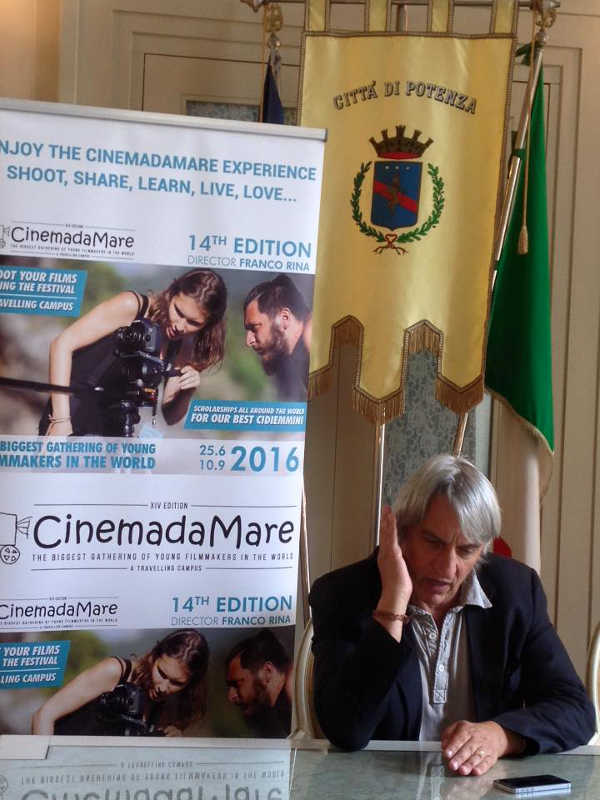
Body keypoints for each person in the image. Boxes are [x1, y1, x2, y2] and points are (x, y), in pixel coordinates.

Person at [310, 454, 596, 775]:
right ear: (402, 533)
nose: (447, 568)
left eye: (466, 550)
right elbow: (345, 729)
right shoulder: (342, 594)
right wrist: (392, 603)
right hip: (379, 787)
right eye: (433, 543)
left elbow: (576, 711)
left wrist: (501, 736)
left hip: (481, 788)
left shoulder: (515, 592)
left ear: (483, 548)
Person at [40, 268, 227, 435]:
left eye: (193, 322)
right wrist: (61, 421)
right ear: (171, 294)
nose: (180, 326)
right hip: (70, 415)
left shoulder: (183, 346)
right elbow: (62, 344)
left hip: (116, 431)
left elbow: (170, 416)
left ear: (207, 325)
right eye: (178, 311)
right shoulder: (132, 306)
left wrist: (187, 391)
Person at [31, 629, 209, 736]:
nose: (163, 687)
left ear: (190, 685)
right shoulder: (115, 671)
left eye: (176, 683)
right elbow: (44, 715)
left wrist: (171, 743)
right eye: (161, 673)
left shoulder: (169, 709)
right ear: (153, 656)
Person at [243, 274, 311, 401]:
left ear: (285, 318)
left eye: (255, 328)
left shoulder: (311, 337)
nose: (248, 341)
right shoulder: (302, 356)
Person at [225, 629, 293, 737]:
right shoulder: (285, 707)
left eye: (237, 684)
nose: (230, 697)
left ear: (267, 672)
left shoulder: (293, 695)